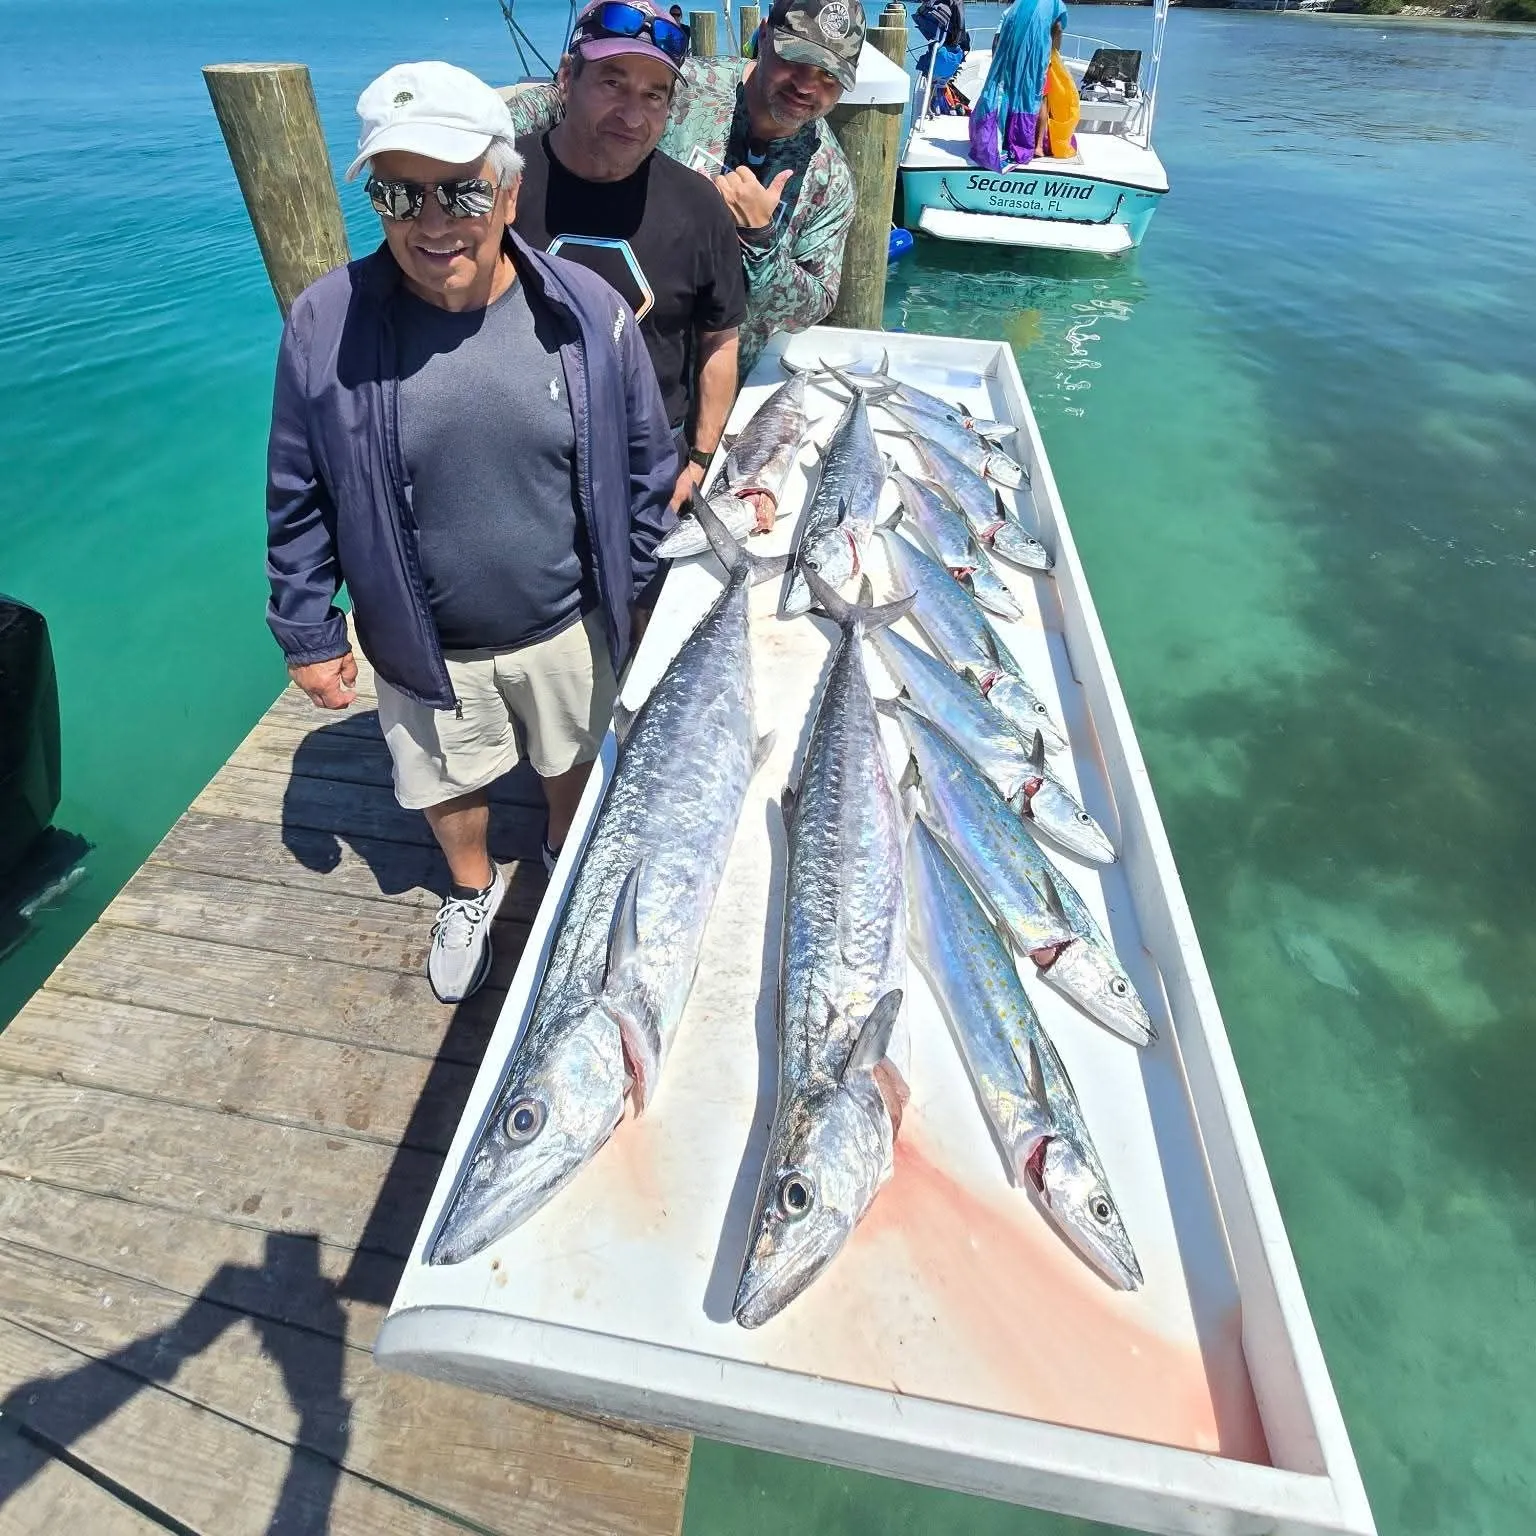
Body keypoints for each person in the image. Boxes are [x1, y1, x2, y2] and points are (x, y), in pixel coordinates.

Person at [266, 61, 675, 1004]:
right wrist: (307, 630)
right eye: (399, 193)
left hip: (568, 625)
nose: (433, 219)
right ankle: (471, 887)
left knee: (572, 757)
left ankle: (566, 857)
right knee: (444, 782)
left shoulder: (585, 307)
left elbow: (646, 464)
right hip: (421, 640)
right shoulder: (325, 320)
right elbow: (297, 485)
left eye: (460, 188)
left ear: (509, 188)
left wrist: (644, 590)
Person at [508, 0, 864, 385]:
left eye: (829, 76)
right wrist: (481, 135)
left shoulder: (831, 178)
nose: (807, 85)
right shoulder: (687, 85)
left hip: (718, 392)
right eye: (794, 60)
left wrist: (762, 243)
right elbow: (564, 99)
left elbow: (812, 307)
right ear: (763, 37)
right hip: (601, 363)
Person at [510, 1, 748, 512]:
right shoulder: (504, 180)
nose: (632, 114)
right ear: (568, 77)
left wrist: (701, 460)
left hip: (647, 467)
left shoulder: (699, 206)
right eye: (612, 83)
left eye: (653, 94)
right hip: (519, 466)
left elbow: (719, 341)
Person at [969, 0, 1066, 171]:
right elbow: (1058, 28)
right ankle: (1037, 146)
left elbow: (997, 41)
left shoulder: (1013, 10)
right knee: (1040, 99)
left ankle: (1007, 139)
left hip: (1010, 63)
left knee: (1012, 98)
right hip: (1038, 60)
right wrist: (1053, 54)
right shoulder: (1054, 4)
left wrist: (996, 67)